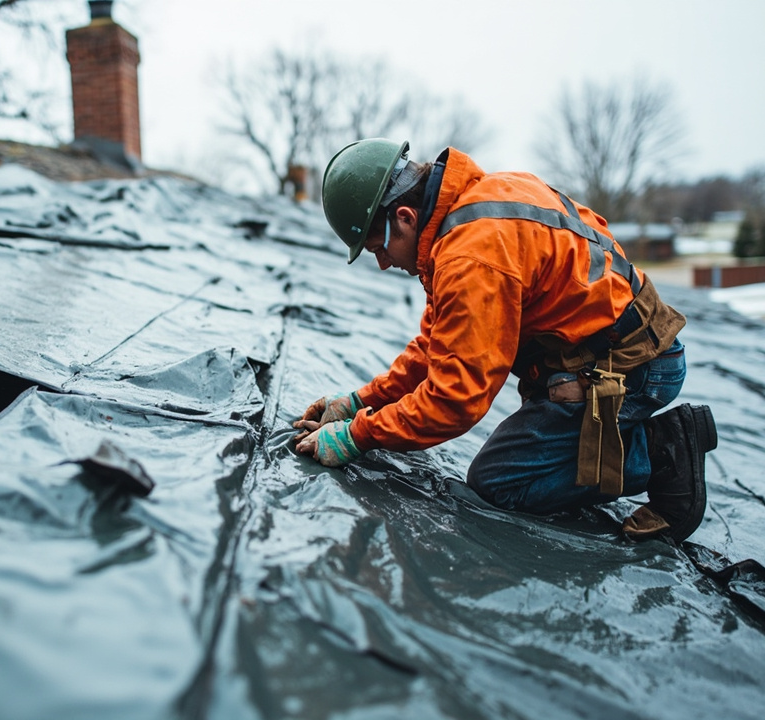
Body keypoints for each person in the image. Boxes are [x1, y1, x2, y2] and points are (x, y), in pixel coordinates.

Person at [293, 138, 717, 542]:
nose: (384, 264)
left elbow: (454, 400)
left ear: (404, 217)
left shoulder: (470, 257)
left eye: (377, 249)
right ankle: (625, 435)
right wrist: (359, 402)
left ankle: (662, 451)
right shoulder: (474, 210)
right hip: (624, 347)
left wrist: (357, 436)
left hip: (633, 367)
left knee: (499, 481)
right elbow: (436, 345)